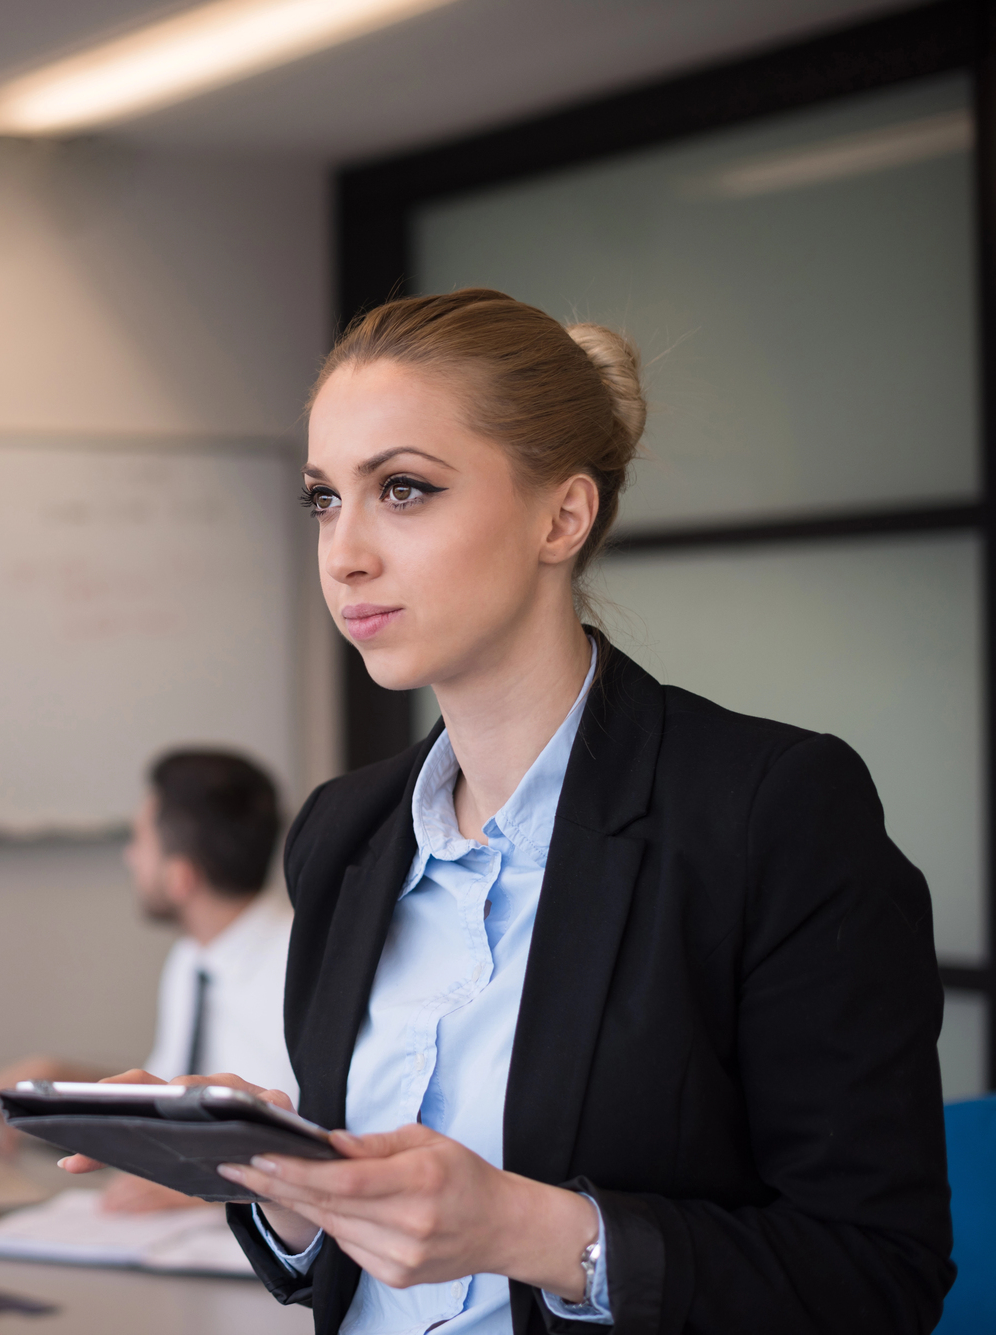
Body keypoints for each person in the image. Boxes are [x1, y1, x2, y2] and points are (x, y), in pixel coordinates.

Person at [61, 289, 953, 1332]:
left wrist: (529, 1231)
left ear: (560, 516)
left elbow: (876, 1275)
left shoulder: (769, 812)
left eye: (401, 489)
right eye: (321, 499)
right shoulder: (342, 834)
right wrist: (287, 1182)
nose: (342, 552)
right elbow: (347, 1281)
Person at [0, 749, 297, 1212]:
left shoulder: (301, 969)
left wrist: (203, 1189)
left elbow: (309, 1141)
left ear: (180, 878)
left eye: (140, 841)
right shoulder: (192, 958)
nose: (129, 857)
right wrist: (63, 1086)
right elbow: (169, 1094)